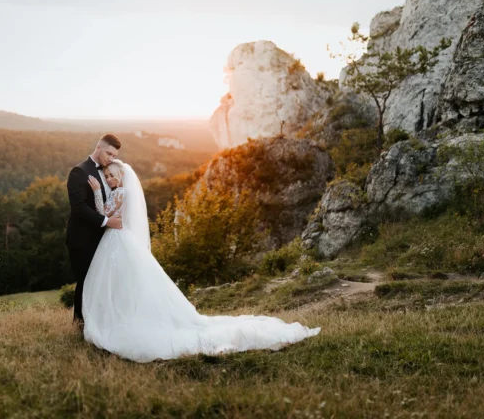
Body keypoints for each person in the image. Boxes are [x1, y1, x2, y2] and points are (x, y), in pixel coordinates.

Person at [81, 159, 321, 363]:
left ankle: (119, 319)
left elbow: (103, 213)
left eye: (111, 175)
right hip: (118, 239)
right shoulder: (121, 192)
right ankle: (119, 316)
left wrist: (96, 191)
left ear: (121, 175)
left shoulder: (120, 192)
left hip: (118, 240)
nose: (109, 179)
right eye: (106, 176)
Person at [65, 134, 123, 325]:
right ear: (98, 147)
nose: (111, 158)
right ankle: (79, 324)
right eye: (108, 153)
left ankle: (97, 322)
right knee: (85, 281)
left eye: (114, 156)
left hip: (102, 239)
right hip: (82, 239)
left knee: (99, 282)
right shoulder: (79, 172)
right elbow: (79, 207)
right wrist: (107, 221)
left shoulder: (108, 171)